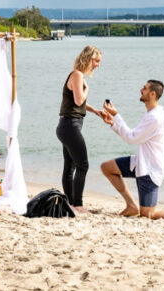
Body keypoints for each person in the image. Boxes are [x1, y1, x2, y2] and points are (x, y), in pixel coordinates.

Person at [100, 80, 164, 225]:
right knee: (107, 167)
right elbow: (134, 136)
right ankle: (131, 205)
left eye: (144, 88)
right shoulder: (152, 114)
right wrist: (113, 123)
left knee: (148, 214)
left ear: (153, 93)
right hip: (141, 162)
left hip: (150, 170)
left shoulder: (155, 117)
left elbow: (131, 138)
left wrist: (116, 115)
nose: (141, 90)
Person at [56, 45, 107, 214]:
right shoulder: (77, 75)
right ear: (88, 58)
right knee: (83, 165)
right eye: (96, 61)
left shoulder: (78, 75)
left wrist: (95, 111)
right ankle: (77, 204)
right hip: (70, 126)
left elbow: (76, 102)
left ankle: (70, 203)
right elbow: (79, 101)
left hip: (67, 125)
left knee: (70, 167)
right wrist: (87, 89)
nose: (98, 65)